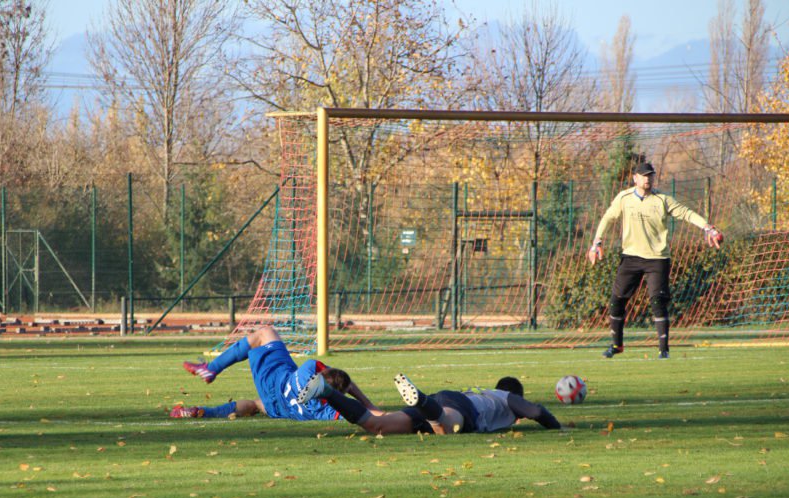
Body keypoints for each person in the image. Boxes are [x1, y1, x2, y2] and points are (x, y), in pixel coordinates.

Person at [588, 161, 724, 359]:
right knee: (617, 300)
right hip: (631, 256)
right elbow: (608, 218)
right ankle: (616, 345)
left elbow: (686, 213)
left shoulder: (662, 199)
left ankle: (663, 350)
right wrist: (596, 242)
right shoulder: (624, 198)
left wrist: (707, 227)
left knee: (657, 301)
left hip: (657, 258)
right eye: (644, 175)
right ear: (635, 178)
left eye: (650, 175)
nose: (648, 179)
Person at [174, 325, 379, 421]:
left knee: (265, 333)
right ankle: (205, 411)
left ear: (321, 375)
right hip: (280, 407)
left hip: (274, 379)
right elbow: (361, 414)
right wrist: (373, 409)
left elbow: (343, 381)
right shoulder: (323, 412)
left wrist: (367, 402)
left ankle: (211, 368)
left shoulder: (309, 368)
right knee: (255, 405)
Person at [296, 372, 561, 435]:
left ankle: (327, 392)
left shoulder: (483, 393)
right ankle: (420, 399)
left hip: (444, 399)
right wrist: (558, 428)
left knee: (377, 425)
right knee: (447, 425)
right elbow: (536, 411)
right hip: (459, 407)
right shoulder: (503, 397)